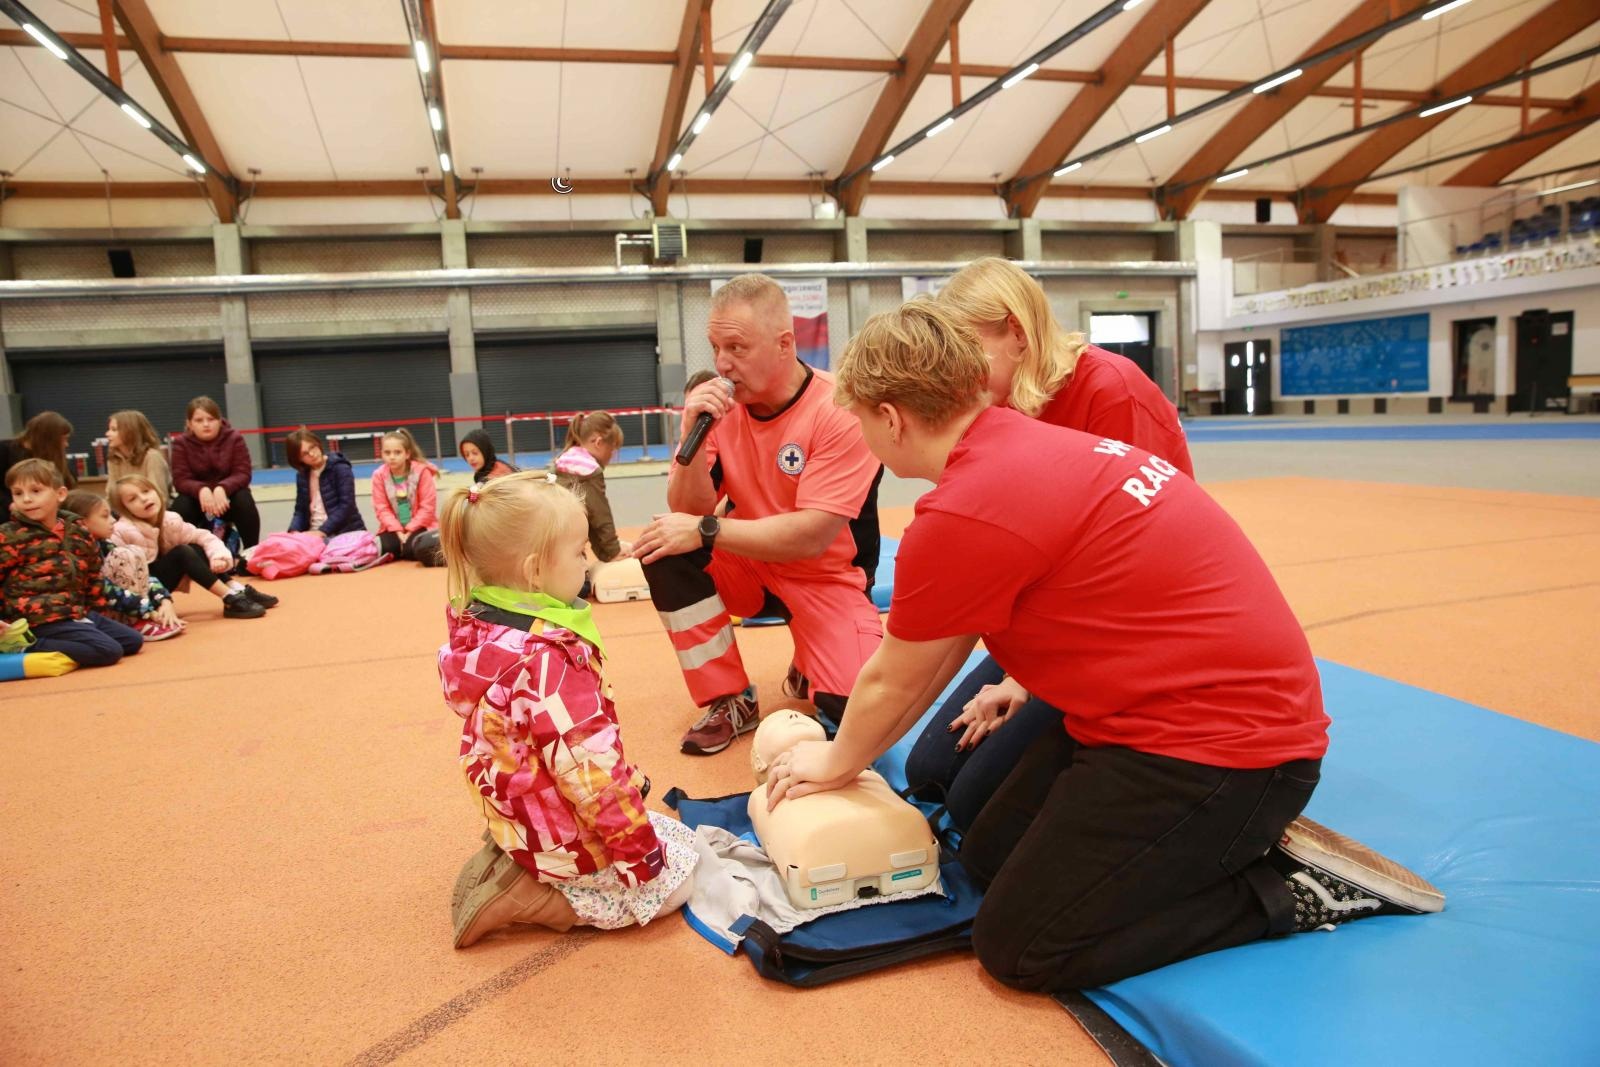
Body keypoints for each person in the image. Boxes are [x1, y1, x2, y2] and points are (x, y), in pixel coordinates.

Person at [763, 301, 1440, 992]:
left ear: (892, 418)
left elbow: (895, 678)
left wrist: (838, 759)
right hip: (1159, 716)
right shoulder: (1025, 445)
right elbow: (937, 649)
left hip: (1226, 750)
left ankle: (1283, 890)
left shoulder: (966, 506)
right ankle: (1218, 847)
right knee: (987, 858)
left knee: (1021, 945)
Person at [906, 257, 1198, 828]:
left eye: (970, 350)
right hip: (1055, 624)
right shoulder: (1004, 402)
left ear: (1016, 332)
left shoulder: (1111, 392)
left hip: (1120, 636)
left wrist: (1023, 681)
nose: (961, 372)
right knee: (932, 772)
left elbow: (1144, 564)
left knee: (976, 809)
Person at [439, 472, 696, 947]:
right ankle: (539, 897)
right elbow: (591, 774)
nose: (588, 561)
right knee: (679, 874)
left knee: (664, 826)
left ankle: (514, 856)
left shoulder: (479, 625)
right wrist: (642, 860)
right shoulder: (551, 659)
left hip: (514, 810)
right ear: (536, 571)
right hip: (555, 831)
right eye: (580, 553)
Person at [630, 273, 883, 755]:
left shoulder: (838, 410)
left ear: (784, 343)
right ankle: (729, 698)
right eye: (715, 347)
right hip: (748, 565)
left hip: (824, 576)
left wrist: (706, 529)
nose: (722, 364)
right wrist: (694, 432)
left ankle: (815, 653)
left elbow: (810, 537)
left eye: (737, 348)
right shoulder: (720, 412)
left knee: (850, 710)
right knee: (664, 547)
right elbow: (687, 510)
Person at [1, 458, 142, 667]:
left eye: (36, 491)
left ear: (60, 494)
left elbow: (94, 575)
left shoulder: (78, 531)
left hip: (74, 611)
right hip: (36, 619)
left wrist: (96, 614)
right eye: (18, 493)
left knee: (132, 641)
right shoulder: (9, 536)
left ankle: (77, 637)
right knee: (109, 651)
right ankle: (23, 645)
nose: (27, 499)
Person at [110, 475, 275, 620]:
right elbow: (119, 577)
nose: (144, 499)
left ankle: (236, 589)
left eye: (146, 491)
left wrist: (219, 556)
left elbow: (203, 536)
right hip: (144, 591)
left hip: (162, 580)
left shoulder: (170, 519)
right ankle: (229, 598)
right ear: (125, 510)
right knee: (182, 552)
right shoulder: (122, 531)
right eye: (133, 499)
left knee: (196, 546)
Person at [63, 489, 183, 642]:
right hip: (91, 615)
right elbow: (104, 589)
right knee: (123, 555)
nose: (113, 520)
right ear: (81, 523)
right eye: (105, 516)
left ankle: (140, 620)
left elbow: (144, 576)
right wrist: (148, 611)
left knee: (133, 551)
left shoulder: (103, 544)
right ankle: (137, 621)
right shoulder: (75, 554)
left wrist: (164, 600)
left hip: (125, 607)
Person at [169, 397, 261, 551]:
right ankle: (186, 554)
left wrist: (222, 488)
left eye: (211, 419)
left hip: (228, 499)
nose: (206, 424)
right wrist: (201, 490)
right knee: (181, 505)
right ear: (190, 424)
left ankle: (252, 551)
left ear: (219, 420)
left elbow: (243, 473)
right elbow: (180, 480)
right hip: (198, 501)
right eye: (199, 420)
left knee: (244, 499)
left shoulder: (234, 438)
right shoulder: (180, 443)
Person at [552, 411, 628, 563]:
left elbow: (589, 517)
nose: (612, 456)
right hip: (562, 544)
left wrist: (606, 553)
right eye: (612, 449)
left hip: (554, 537)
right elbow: (600, 516)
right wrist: (614, 551)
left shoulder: (564, 461)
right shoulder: (589, 471)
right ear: (599, 443)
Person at [372, 429, 442, 565]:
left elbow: (427, 508)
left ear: (407, 454)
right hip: (392, 528)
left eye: (397, 452)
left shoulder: (422, 472)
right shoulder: (378, 475)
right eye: (387, 453)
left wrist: (409, 529)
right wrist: (398, 530)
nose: (392, 457)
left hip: (421, 526)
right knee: (384, 548)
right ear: (382, 454)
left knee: (412, 550)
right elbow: (382, 508)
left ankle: (408, 547)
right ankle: (400, 547)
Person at [285, 429, 365, 539]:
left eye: (312, 447)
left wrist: (322, 531)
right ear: (298, 459)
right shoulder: (302, 475)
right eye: (305, 454)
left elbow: (346, 506)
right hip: (312, 532)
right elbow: (300, 511)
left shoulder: (340, 468)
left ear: (318, 443)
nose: (312, 454)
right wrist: (293, 531)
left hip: (342, 532)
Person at [0, 412, 76, 517]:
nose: (66, 444)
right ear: (50, 438)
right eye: (63, 439)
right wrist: (10, 504)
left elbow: (68, 483)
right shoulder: (4, 450)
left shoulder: (54, 457)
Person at [105, 410, 172, 502]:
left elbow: (159, 496)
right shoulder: (114, 458)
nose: (107, 434)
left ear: (130, 432)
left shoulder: (152, 457)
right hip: (126, 509)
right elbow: (111, 494)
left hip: (152, 510)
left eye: (114, 430)